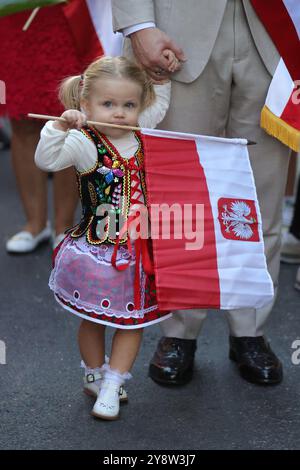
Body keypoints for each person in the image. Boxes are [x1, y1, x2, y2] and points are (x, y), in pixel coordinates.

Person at [112, 0, 291, 386]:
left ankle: (251, 327)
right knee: (181, 196)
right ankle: (179, 330)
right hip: (179, 31)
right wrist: (138, 24)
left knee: (261, 198)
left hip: (276, 38)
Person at [34, 55, 176, 421]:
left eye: (128, 105)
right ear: (86, 104)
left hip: (141, 251)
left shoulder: (145, 132)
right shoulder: (84, 142)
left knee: (133, 322)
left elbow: (159, 100)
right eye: (108, 104)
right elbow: (47, 161)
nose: (118, 113)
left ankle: (114, 382)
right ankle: (94, 374)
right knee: (94, 320)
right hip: (98, 250)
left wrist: (161, 74)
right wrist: (59, 126)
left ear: (140, 106)